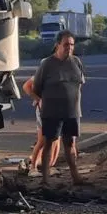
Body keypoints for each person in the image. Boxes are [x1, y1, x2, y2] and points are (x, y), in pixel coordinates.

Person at [29, 31, 86, 188]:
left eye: (72, 45)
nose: (69, 48)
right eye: (66, 44)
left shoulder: (76, 62)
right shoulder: (47, 64)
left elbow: (80, 83)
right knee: (49, 142)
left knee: (70, 143)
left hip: (72, 111)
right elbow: (36, 87)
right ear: (58, 45)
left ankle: (76, 177)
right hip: (52, 111)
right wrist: (41, 101)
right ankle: (45, 179)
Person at [21, 75, 60, 171]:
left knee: (57, 138)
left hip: (58, 109)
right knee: (43, 140)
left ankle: (49, 165)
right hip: (45, 110)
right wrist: (38, 99)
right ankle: (33, 167)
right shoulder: (44, 72)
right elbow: (26, 86)